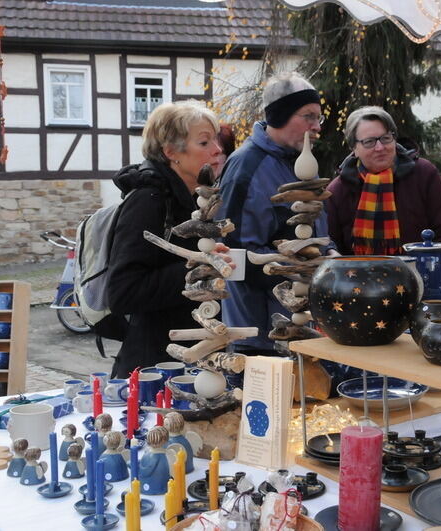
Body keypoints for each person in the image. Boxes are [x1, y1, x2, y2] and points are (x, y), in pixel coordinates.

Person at [106, 101, 231, 378]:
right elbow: (122, 293)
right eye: (204, 142)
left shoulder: (193, 199)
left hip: (187, 359)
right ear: (171, 152)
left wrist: (208, 261)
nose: (217, 150)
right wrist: (196, 270)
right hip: (155, 367)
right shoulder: (149, 200)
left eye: (216, 140)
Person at [219, 72, 334, 355]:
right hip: (258, 332)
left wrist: (331, 257)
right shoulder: (246, 166)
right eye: (308, 116)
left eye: (318, 118)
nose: (317, 127)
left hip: (302, 323)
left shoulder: (304, 165)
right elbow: (233, 255)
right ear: (280, 116)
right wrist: (300, 275)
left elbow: (315, 233)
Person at [326, 106, 441, 258]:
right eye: (369, 142)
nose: (380, 147)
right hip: (358, 279)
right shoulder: (338, 191)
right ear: (354, 148)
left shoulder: (424, 175)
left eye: (385, 138)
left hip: (421, 275)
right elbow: (332, 248)